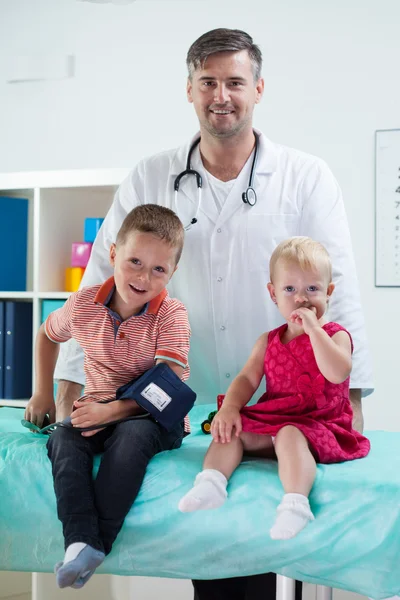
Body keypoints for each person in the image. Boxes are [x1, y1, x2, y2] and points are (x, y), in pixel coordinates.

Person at [51, 28, 373, 600]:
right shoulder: (149, 176)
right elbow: (99, 287)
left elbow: (338, 292)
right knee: (216, 560)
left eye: (234, 82)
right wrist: (68, 392)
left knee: (271, 546)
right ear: (190, 90)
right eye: (208, 82)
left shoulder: (306, 176)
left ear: (258, 89)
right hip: (182, 395)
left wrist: (354, 398)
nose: (220, 95)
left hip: (282, 396)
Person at [24, 205, 191, 589]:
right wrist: (41, 393)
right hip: (96, 411)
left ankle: (97, 542)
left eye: (158, 269)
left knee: (132, 437)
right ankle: (81, 543)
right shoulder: (83, 305)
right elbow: (47, 335)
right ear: (113, 254)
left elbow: (168, 388)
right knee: (63, 436)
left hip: (153, 418)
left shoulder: (171, 315)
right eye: (134, 261)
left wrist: (112, 411)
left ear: (172, 273)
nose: (143, 277)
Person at [179, 236, 370, 540]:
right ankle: (211, 483)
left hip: (319, 425)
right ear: (273, 294)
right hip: (276, 421)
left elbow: (337, 373)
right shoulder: (268, 341)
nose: (301, 299)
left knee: (290, 434)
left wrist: (313, 330)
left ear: (329, 292)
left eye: (312, 289)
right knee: (233, 429)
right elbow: (246, 379)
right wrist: (229, 408)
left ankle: (296, 504)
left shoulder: (335, 336)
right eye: (290, 289)